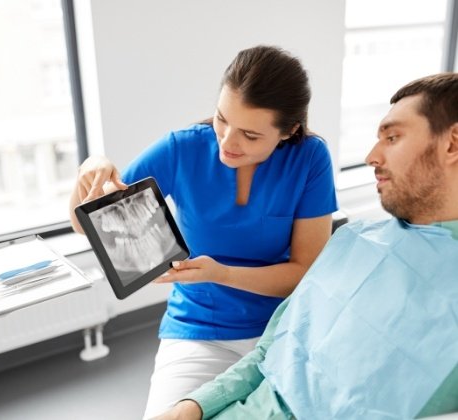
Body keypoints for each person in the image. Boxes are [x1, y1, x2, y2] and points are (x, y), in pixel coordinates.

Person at [153, 72, 458, 420]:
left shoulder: (310, 159)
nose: (371, 156)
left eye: (392, 136)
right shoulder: (351, 241)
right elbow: (271, 350)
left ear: (452, 144)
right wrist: (192, 407)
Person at [69, 45, 338, 418]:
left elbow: (303, 273)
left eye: (249, 134)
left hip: (284, 328)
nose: (227, 142)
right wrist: (90, 169)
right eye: (221, 118)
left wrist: (221, 274)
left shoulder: (309, 158)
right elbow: (87, 224)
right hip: (198, 330)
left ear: (288, 131)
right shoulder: (182, 149)